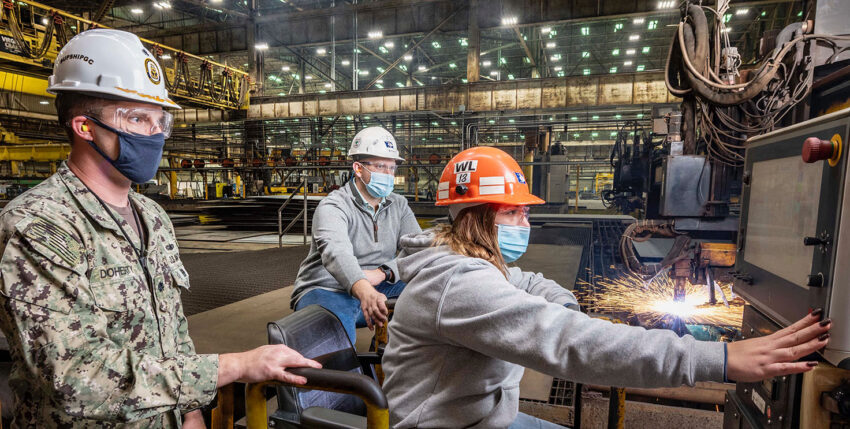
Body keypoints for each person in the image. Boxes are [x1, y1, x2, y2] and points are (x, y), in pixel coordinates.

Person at [0, 29, 320, 427]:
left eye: (160, 121)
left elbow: (172, 330)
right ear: (83, 127)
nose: (154, 135)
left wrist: (190, 411)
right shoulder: (40, 226)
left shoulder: (152, 216)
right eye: (136, 118)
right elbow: (74, 380)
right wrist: (234, 365)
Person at [381, 146, 832, 428]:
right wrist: (719, 358)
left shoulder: (474, 263)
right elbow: (570, 344)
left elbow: (533, 285)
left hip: (485, 418)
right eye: (514, 213)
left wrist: (565, 311)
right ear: (479, 215)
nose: (526, 221)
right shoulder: (459, 283)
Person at [291, 126, 422, 343]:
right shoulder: (333, 206)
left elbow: (417, 251)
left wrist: (383, 273)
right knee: (335, 345)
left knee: (427, 295)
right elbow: (336, 253)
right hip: (327, 288)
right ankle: (347, 375)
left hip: (381, 286)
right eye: (380, 166)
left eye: (392, 168)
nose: (388, 174)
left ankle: (389, 360)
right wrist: (363, 289)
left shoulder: (399, 205)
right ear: (358, 168)